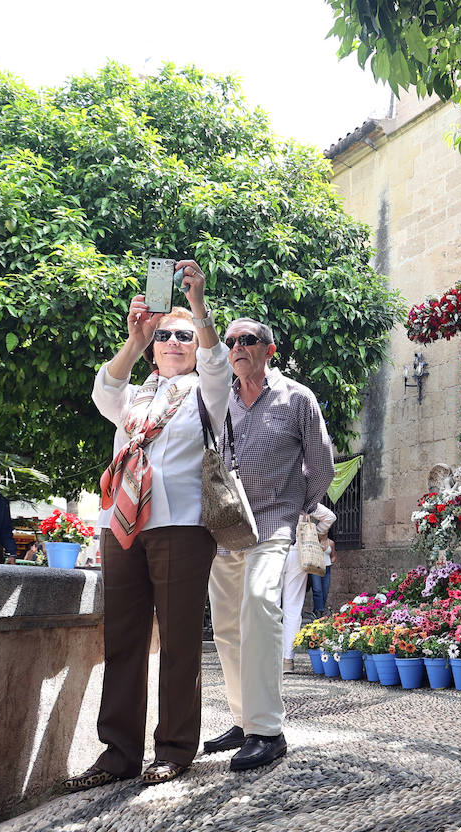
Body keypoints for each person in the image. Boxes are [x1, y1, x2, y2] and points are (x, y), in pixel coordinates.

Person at [64, 259, 228, 791]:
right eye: (165, 335)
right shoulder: (136, 398)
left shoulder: (206, 392)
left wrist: (196, 304)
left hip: (180, 524)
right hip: (122, 525)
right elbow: (103, 389)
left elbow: (216, 360)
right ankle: (118, 752)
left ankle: (176, 747)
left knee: (179, 639)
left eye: (182, 335)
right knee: (123, 638)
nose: (174, 341)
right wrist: (134, 341)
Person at [203, 318, 334, 771]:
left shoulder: (297, 398)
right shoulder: (221, 401)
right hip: (228, 523)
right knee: (225, 624)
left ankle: (267, 731)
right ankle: (243, 720)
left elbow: (322, 464)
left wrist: (300, 505)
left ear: (269, 349)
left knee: (259, 604)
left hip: (275, 521)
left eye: (248, 340)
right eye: (232, 341)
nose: (238, 347)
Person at [281, 500, 336, 669]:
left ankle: (268, 657)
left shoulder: (267, 486)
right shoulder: (302, 494)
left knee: (270, 606)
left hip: (271, 549)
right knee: (293, 607)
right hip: (298, 551)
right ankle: (287, 660)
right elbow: (329, 516)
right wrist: (315, 533)